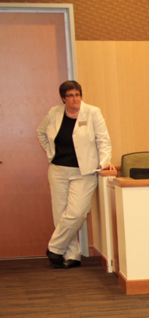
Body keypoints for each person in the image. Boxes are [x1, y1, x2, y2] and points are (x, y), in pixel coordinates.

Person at [36, 80, 114, 269]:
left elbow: (103, 140)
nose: (75, 99)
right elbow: (41, 133)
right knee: (61, 214)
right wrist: (50, 152)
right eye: (70, 96)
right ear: (63, 98)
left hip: (84, 172)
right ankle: (71, 255)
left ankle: (54, 248)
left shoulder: (92, 112)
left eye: (77, 95)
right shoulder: (54, 113)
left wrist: (104, 163)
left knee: (77, 213)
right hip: (58, 170)